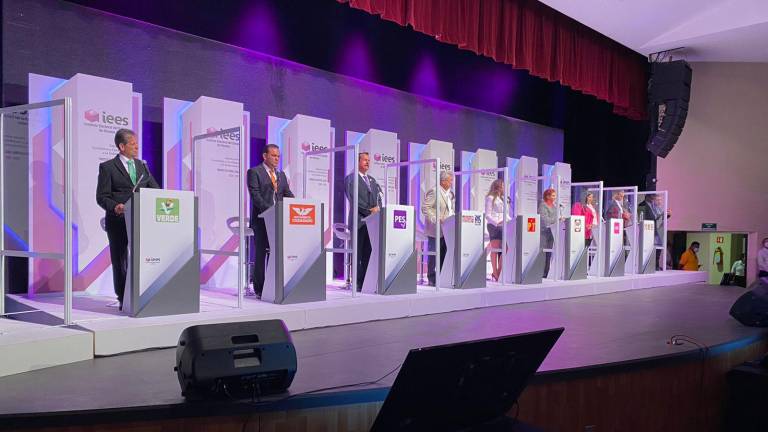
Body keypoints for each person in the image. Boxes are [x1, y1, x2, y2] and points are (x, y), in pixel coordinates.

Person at [96, 128, 160, 311]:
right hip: (118, 220)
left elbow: (155, 189)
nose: (137, 147)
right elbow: (102, 197)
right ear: (122, 146)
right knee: (120, 260)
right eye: (132, 144)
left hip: (140, 220)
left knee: (144, 259)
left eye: (137, 143)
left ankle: (143, 294)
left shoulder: (142, 166)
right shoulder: (108, 167)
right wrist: (115, 206)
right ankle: (123, 298)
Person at [247, 144, 294, 298]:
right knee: (261, 254)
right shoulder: (254, 172)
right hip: (262, 220)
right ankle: (259, 289)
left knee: (276, 253)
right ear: (265, 156)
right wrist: (271, 211)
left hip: (279, 221)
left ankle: (273, 286)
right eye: (273, 155)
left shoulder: (281, 175)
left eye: (278, 156)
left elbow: (287, 193)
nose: (276, 159)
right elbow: (256, 196)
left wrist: (297, 205)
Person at [344, 152, 382, 291]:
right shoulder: (350, 179)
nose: (367, 162)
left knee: (368, 253)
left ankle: (367, 282)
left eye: (369, 160)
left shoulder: (372, 180)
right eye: (365, 160)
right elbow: (354, 199)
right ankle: (358, 283)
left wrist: (378, 208)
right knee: (357, 253)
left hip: (372, 224)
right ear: (358, 161)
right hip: (358, 222)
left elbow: (378, 198)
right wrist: (369, 211)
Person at [421, 171, 455, 286]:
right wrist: (436, 219)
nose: (451, 182)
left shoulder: (450, 194)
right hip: (435, 229)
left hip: (448, 229)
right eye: (450, 180)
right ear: (443, 181)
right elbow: (425, 208)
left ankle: (442, 277)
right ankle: (431, 278)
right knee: (434, 254)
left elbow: (450, 210)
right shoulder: (434, 191)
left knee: (444, 254)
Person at [484, 179, 509, 282]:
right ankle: (494, 272)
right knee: (495, 248)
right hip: (494, 226)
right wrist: (497, 223)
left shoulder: (503, 199)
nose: (504, 188)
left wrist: (511, 221)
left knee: (506, 249)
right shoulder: (490, 198)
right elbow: (487, 215)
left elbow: (506, 214)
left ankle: (499, 272)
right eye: (503, 186)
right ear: (498, 186)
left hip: (504, 225)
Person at [637, 193, 671, 270]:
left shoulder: (654, 206)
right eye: (653, 197)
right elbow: (641, 219)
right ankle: (651, 266)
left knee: (658, 249)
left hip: (656, 230)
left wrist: (666, 215)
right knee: (651, 250)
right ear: (648, 196)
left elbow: (657, 218)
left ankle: (656, 266)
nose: (654, 198)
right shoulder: (642, 205)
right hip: (648, 230)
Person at [605, 190, 632, 257]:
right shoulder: (611, 203)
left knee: (622, 243)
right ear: (616, 195)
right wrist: (622, 216)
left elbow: (625, 213)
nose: (622, 198)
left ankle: (623, 257)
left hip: (622, 226)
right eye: (620, 196)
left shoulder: (622, 205)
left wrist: (627, 215)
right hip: (615, 227)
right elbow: (608, 214)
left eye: (623, 196)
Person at [539, 188, 557, 278]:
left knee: (549, 253)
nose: (555, 197)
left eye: (555, 195)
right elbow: (545, 219)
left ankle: (546, 272)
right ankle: (540, 273)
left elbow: (555, 218)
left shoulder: (554, 206)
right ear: (547, 196)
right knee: (543, 252)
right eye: (553, 195)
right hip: (544, 232)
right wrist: (556, 220)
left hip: (552, 231)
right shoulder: (543, 206)